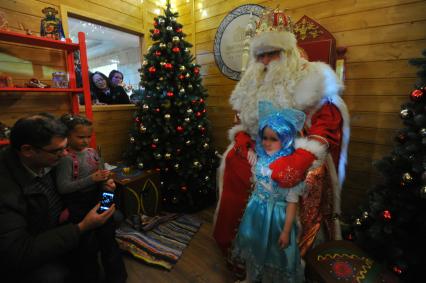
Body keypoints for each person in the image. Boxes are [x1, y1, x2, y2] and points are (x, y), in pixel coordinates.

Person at [213, 7, 350, 261]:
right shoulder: (253, 80)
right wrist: (243, 139)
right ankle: (240, 251)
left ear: (287, 51)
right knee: (236, 163)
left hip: (299, 149)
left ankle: (281, 257)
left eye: (272, 53)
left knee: (288, 181)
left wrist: (301, 158)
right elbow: (243, 120)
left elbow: (328, 122)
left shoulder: (312, 75)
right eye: (260, 54)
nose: (265, 61)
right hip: (261, 146)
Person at [0, 114, 116, 283]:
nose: (65, 155)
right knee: (54, 275)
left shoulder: (47, 160)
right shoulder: (6, 189)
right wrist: (82, 227)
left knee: (109, 224)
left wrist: (105, 188)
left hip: (65, 220)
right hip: (35, 244)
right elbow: (18, 252)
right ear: (28, 150)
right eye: (57, 150)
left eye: (65, 147)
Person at [232, 101, 305, 282]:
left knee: (274, 254)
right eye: (265, 138)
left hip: (276, 218)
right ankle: (251, 278)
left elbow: (292, 203)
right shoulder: (260, 158)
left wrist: (286, 231)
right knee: (253, 246)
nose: (267, 143)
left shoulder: (289, 168)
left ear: (285, 138)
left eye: (274, 139)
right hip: (256, 212)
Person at [56, 114, 127, 283]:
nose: (86, 141)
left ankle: (117, 277)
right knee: (87, 247)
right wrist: (92, 179)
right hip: (78, 203)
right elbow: (63, 187)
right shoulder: (65, 159)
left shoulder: (93, 152)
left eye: (89, 136)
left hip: (99, 195)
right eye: (80, 137)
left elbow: (101, 173)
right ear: (67, 135)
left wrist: (107, 182)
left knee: (109, 239)